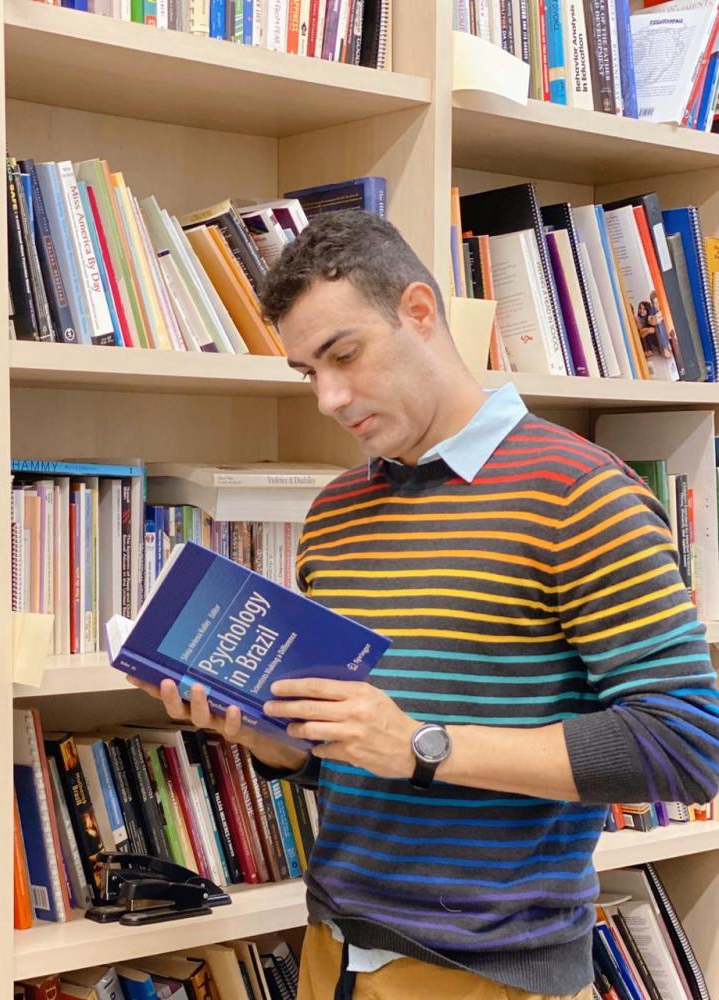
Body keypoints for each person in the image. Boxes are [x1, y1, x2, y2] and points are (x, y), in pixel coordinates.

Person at [132, 211, 719, 1000]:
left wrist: (423, 746)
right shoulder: (336, 510)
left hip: (487, 972)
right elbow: (358, 757)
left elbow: (688, 746)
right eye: (308, 371)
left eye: (344, 355)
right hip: (332, 951)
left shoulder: (579, 492)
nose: (330, 398)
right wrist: (276, 743)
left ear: (419, 310)